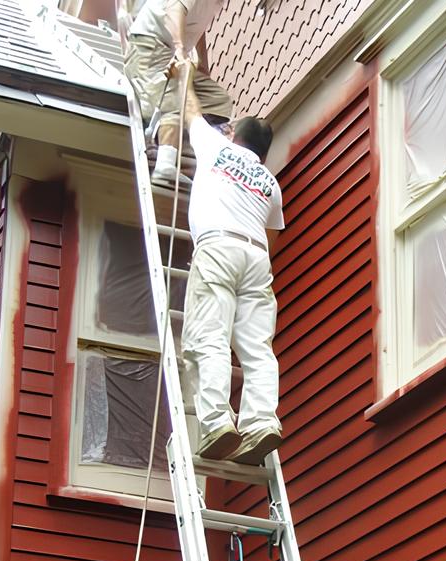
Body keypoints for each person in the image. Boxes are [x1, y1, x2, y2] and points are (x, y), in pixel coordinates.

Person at [171, 61, 285, 465]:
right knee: (257, 348)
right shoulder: (270, 183)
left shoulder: (217, 147)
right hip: (256, 256)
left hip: (218, 247)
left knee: (209, 337)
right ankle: (261, 422)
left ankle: (217, 421)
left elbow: (191, 112)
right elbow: (272, 237)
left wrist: (182, 72)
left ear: (234, 134)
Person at [116, 0, 233, 186]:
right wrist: (179, 49)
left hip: (173, 54)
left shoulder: (216, 3)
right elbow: (174, 10)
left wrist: (203, 69)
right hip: (149, 45)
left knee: (218, 101)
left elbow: (198, 32)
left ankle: (171, 142)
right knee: (172, 102)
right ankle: (165, 165)